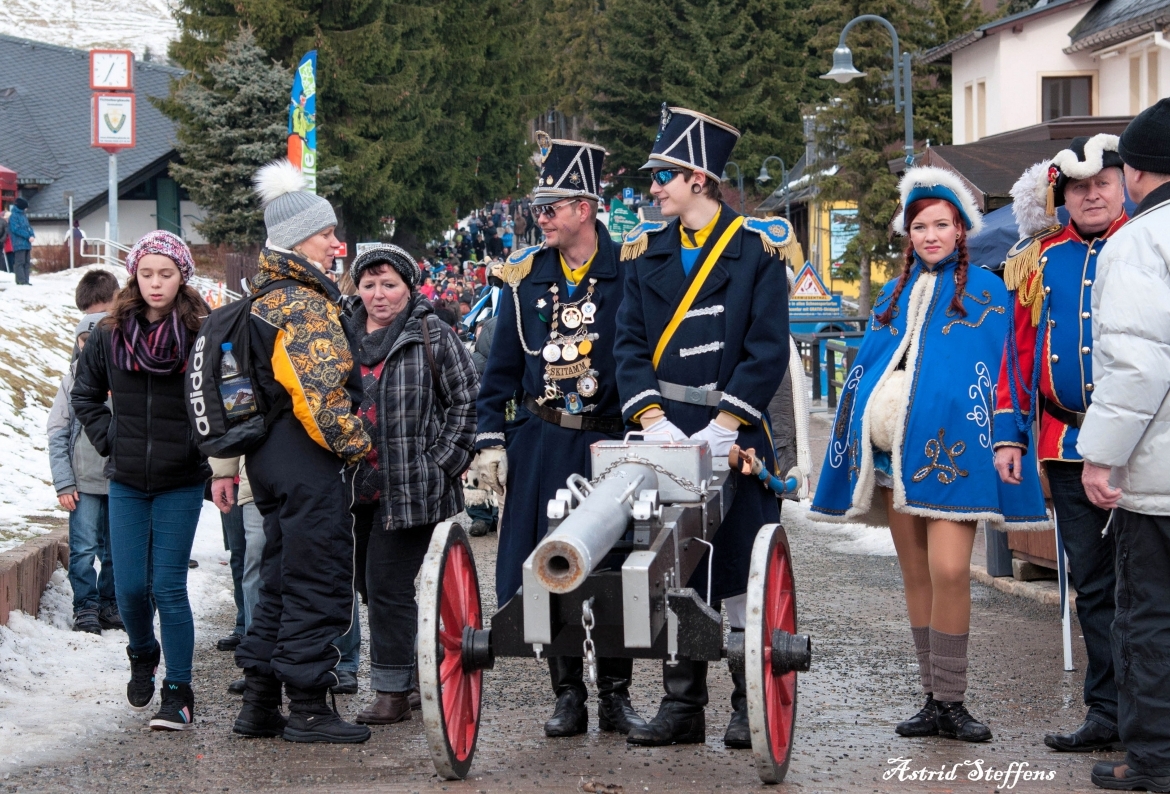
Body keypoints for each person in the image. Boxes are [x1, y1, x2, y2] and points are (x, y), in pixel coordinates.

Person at [810, 167, 1048, 743]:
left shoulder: (991, 294)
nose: (930, 235)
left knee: (948, 570)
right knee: (916, 574)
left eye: (942, 224)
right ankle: (932, 700)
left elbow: (1010, 370)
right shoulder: (892, 295)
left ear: (962, 229)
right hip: (894, 460)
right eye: (920, 226)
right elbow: (866, 369)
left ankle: (955, 698)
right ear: (908, 234)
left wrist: (1011, 434)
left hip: (956, 455)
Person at [613, 106, 798, 748]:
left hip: (733, 431)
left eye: (662, 176)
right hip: (667, 433)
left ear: (698, 177)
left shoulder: (757, 252)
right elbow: (629, 345)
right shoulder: (643, 254)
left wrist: (725, 425)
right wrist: (654, 420)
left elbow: (768, 346)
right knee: (672, 569)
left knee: (743, 570)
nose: (652, 189)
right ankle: (681, 703)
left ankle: (749, 702)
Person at [473, 135, 645, 738]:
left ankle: (617, 694)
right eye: (536, 209)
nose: (539, 218)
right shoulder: (524, 278)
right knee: (552, 568)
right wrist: (490, 437)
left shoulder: (631, 267)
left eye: (551, 208)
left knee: (618, 567)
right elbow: (497, 370)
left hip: (612, 441)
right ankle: (567, 691)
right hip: (545, 441)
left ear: (586, 208)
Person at [994, 135, 1128, 753]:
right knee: (1094, 587)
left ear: (1124, 183)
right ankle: (1106, 713)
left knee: (1149, 586)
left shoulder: (1149, 243)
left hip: (1145, 446)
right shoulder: (1039, 259)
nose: (1092, 194)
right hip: (1066, 442)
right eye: (1079, 187)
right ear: (1061, 196)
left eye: (1103, 182)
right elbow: (1019, 353)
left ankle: (1151, 714)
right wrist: (1007, 434)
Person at [229, 160, 371, 744]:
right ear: (296, 242)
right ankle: (311, 707)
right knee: (318, 579)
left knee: (282, 582)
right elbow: (318, 397)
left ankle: (260, 704)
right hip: (308, 458)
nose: (338, 244)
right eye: (326, 234)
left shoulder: (264, 294)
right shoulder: (304, 303)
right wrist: (359, 444)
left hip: (268, 457)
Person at [71, 230, 211, 730]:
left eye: (166, 274)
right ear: (135, 275)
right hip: (126, 478)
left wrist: (205, 449)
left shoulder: (202, 331)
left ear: (182, 277)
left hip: (181, 479)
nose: (156, 283)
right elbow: (83, 394)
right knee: (130, 589)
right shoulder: (110, 333)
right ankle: (142, 651)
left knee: (168, 587)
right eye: (147, 273)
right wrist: (112, 439)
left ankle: (179, 691)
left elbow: (223, 397)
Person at [339, 245, 477, 725]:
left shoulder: (432, 334)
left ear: (408, 286)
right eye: (369, 284)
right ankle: (425, 669)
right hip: (353, 486)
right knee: (365, 585)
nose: (379, 295)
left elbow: (466, 401)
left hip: (413, 488)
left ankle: (392, 692)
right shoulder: (339, 335)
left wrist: (442, 463)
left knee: (387, 584)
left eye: (389, 284)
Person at [1076, 99, 1170, 793]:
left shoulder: (1139, 240)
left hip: (1160, 476)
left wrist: (1100, 453)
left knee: (1152, 622)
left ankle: (1157, 761)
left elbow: (1138, 366)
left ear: (1136, 171)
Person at [48, 313, 121, 634]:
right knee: (82, 551)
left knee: (116, 552)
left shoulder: (126, 375)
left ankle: (109, 603)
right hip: (83, 485)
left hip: (121, 481)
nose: (90, 345)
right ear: (77, 343)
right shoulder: (71, 381)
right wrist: (64, 481)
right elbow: (57, 433)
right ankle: (86, 606)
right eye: (84, 340)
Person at [7, 197, 35, 285]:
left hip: (27, 243)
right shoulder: (13, 216)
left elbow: (28, 227)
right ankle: (20, 280)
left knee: (27, 262)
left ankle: (26, 280)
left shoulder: (23, 215)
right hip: (18, 243)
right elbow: (15, 229)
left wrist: (32, 234)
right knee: (20, 262)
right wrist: (28, 236)